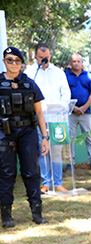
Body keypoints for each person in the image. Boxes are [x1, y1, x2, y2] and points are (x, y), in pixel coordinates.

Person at [0, 46, 49, 227]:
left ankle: (37, 213)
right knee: (6, 173)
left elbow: (39, 113)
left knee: (31, 172)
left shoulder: (29, 84)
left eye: (17, 61)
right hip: (4, 133)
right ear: (4, 62)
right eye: (10, 60)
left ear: (21, 63)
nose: (14, 64)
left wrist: (45, 137)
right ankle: (6, 216)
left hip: (28, 132)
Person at [31, 43, 70, 193]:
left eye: (46, 57)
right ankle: (46, 182)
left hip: (57, 118)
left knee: (56, 151)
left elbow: (66, 94)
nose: (43, 60)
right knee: (43, 150)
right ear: (35, 56)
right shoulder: (30, 73)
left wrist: (61, 106)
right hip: (39, 118)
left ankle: (58, 181)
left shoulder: (59, 72)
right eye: (41, 58)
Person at [66, 53, 91, 172]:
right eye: (74, 61)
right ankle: (70, 162)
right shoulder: (66, 76)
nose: (76, 63)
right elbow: (63, 94)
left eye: (78, 61)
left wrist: (84, 107)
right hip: (71, 113)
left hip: (86, 113)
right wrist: (74, 107)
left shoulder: (88, 76)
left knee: (89, 137)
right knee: (70, 138)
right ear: (70, 63)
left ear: (82, 63)